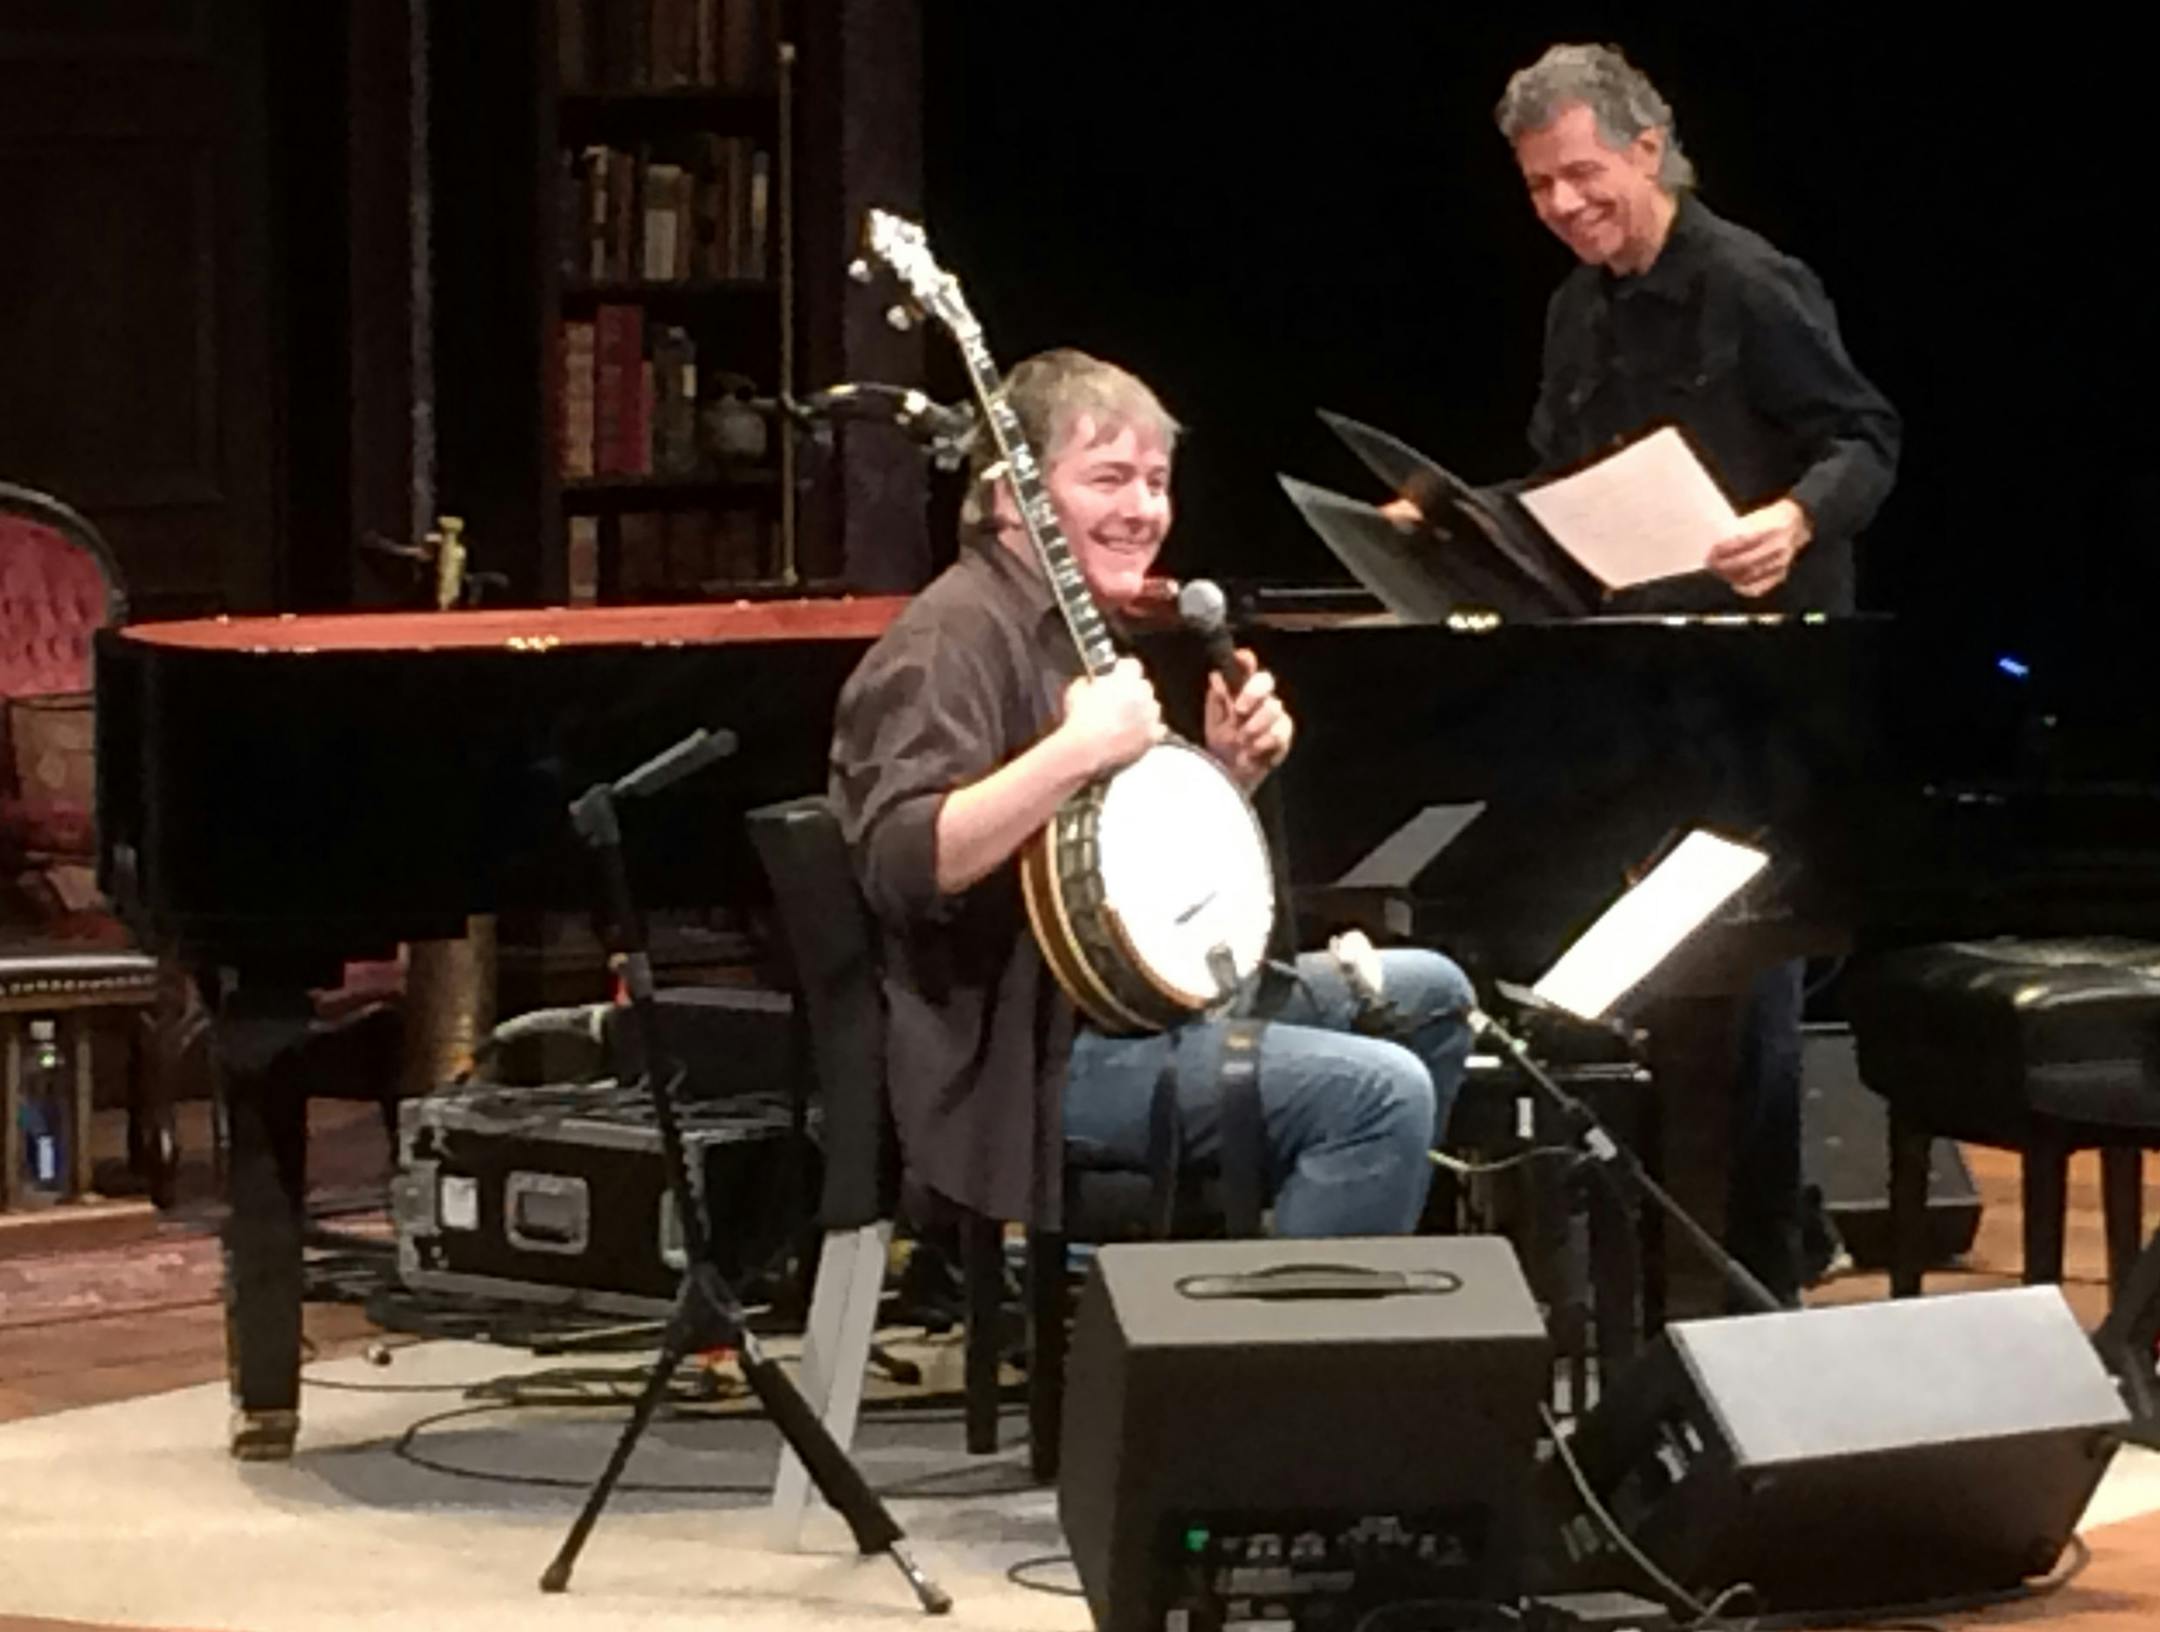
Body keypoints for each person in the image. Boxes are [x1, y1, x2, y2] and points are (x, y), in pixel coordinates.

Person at [1442, 43, 1900, 1302]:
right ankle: (1644, 1273)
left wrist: (1797, 521)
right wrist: (1462, 518)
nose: (1564, 207)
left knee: (1747, 980)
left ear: (1650, 148)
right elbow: (1563, 477)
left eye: (1583, 175)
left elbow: (1866, 438)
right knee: (1627, 981)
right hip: (1635, 700)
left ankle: (1757, 1283)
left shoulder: (1753, 285)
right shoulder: (1574, 310)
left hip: (1766, 706)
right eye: (1539, 187)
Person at [829, 347, 1474, 1240]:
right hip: (1037, 1063)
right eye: (1108, 479)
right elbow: (905, 867)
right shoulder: (948, 641)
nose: (1142, 511)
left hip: (1134, 1008)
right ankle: (1269, 1364)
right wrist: (1075, 749)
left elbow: (1115, 865)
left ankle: (1281, 1287)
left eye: (1156, 482)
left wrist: (1227, 774)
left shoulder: (1081, 629)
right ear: (1015, 499)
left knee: (1433, 993)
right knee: (1378, 1094)